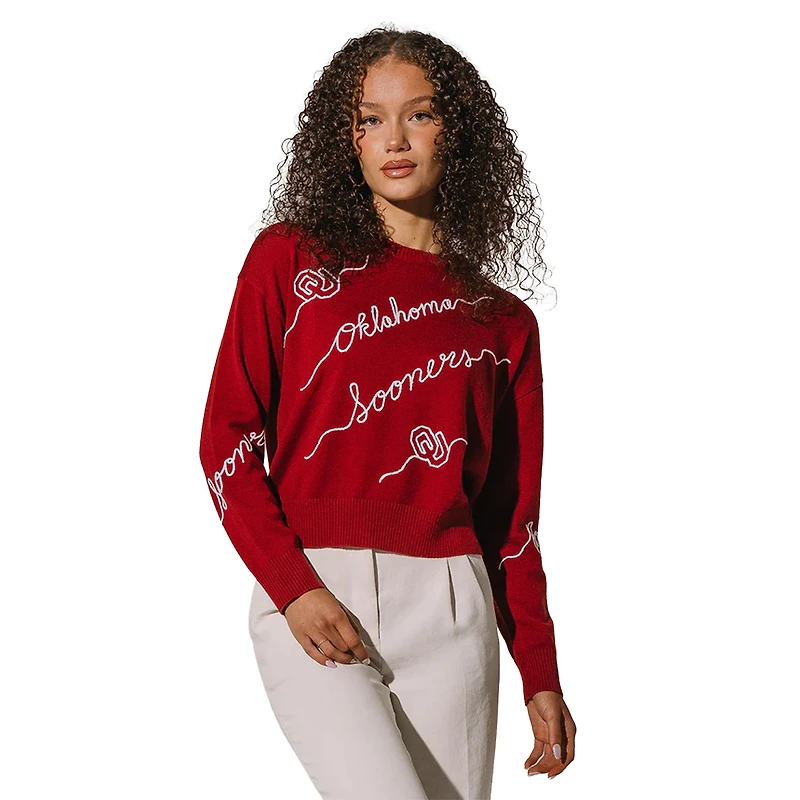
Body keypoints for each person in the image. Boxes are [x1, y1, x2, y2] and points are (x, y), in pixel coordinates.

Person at [199, 25, 576, 799]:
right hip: (318, 587)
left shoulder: (503, 324)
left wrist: (538, 668)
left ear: (456, 133)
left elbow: (511, 519)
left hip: (455, 611)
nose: (394, 139)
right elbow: (226, 441)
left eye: (420, 114)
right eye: (370, 119)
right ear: (347, 139)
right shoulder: (290, 260)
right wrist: (293, 585)